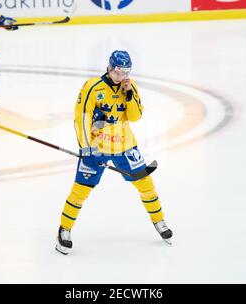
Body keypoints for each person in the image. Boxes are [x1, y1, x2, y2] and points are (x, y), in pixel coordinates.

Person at [56, 50, 173, 255]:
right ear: (110, 68)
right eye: (119, 72)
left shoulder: (130, 86)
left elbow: (135, 117)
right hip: (96, 148)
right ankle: (64, 230)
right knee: (80, 190)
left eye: (126, 72)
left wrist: (129, 94)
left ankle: (159, 221)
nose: (122, 77)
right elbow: (81, 118)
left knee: (145, 184)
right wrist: (86, 148)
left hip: (125, 146)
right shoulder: (92, 87)